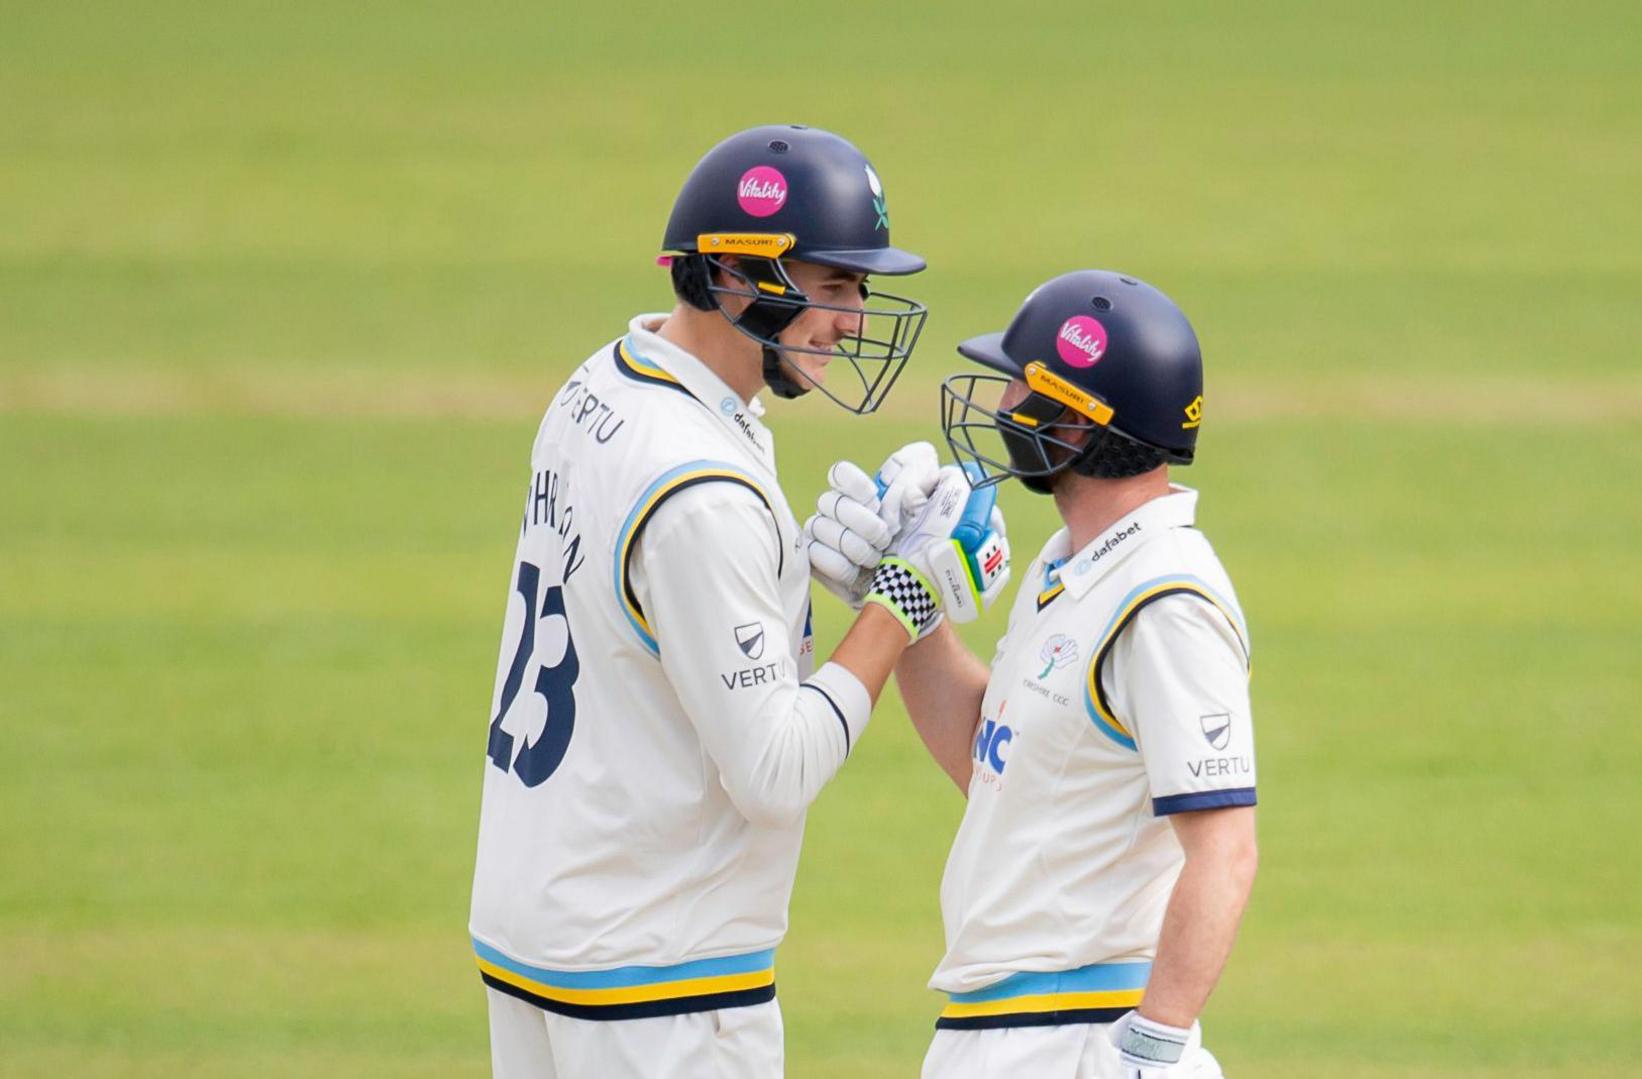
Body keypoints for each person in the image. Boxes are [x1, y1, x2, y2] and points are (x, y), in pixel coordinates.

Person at [467, 124, 995, 1078]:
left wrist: (797, 569)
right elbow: (775, 771)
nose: (853, 319)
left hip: (539, 935)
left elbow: (655, 624)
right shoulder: (699, 487)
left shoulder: (601, 386)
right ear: (740, 278)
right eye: (833, 287)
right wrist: (900, 605)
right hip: (657, 981)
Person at [809, 270, 1258, 1077]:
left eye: (1019, 385)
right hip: (1007, 1029)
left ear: (1079, 423)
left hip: (1078, 1035)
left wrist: (1155, 1044)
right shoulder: (1072, 565)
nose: (1000, 403)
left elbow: (1224, 849)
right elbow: (995, 760)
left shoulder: (1166, 601)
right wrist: (907, 603)